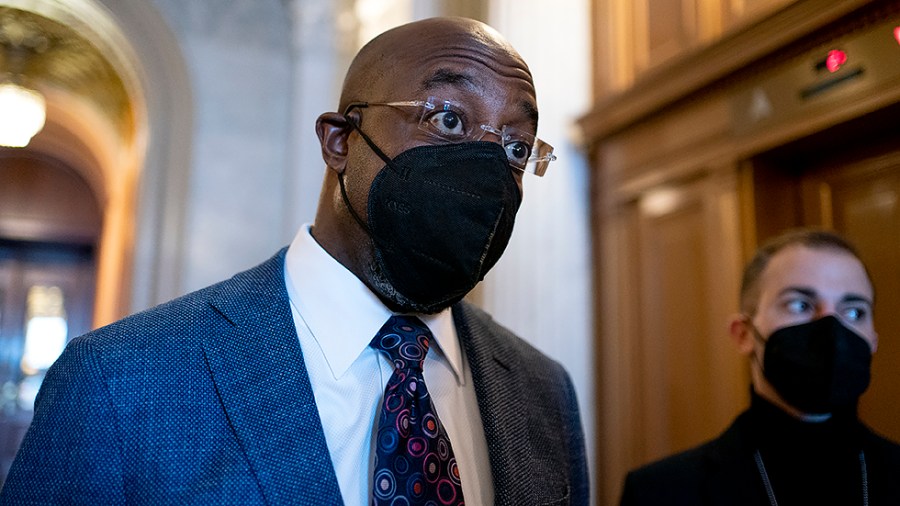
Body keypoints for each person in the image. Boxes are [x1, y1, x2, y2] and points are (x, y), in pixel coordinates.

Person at [0, 16, 588, 506]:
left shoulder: (544, 391)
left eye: (515, 146)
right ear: (340, 141)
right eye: (449, 119)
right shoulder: (119, 380)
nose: (488, 166)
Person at [619, 228, 900, 505]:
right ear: (743, 334)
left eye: (854, 311)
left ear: (873, 340)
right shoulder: (660, 492)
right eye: (800, 305)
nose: (831, 327)